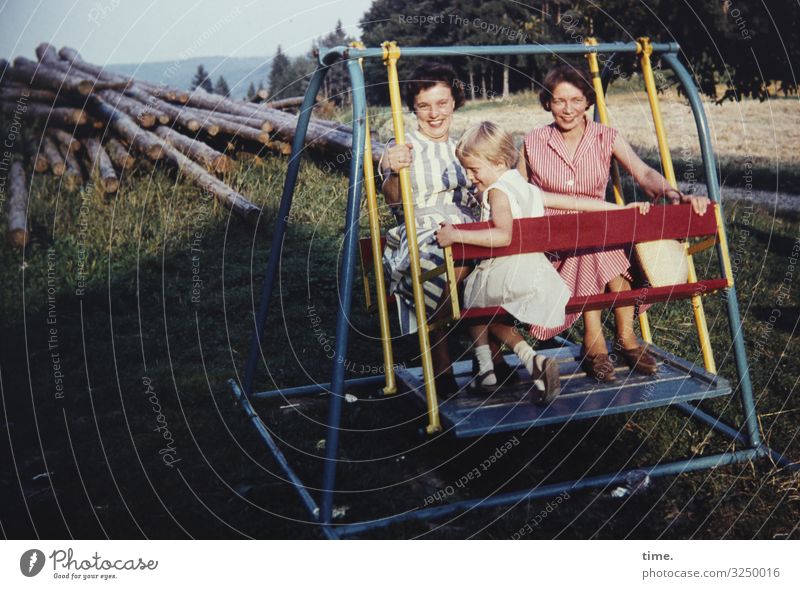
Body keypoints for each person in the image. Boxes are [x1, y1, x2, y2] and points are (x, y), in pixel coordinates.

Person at [436, 121, 652, 402]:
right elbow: (576, 203)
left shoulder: (498, 191)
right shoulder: (525, 188)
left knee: (473, 301)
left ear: (499, 161)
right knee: (484, 308)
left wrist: (456, 234)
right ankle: (511, 366)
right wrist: (619, 210)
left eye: (474, 169)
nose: (470, 176)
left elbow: (502, 235)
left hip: (506, 270)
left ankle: (499, 368)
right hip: (534, 271)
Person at [518, 65, 709, 382]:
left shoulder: (605, 137)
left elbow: (645, 174)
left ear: (588, 101)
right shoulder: (534, 141)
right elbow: (517, 190)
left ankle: (606, 342)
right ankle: (611, 340)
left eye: (576, 100)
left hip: (602, 227)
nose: (568, 109)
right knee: (593, 246)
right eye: (559, 101)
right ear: (547, 102)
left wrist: (674, 193)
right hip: (553, 238)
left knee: (606, 244)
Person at [379, 63, 516, 397]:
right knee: (455, 254)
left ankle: (489, 357)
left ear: (455, 102)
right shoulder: (402, 149)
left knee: (497, 257)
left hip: (467, 223)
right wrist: (392, 171)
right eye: (425, 106)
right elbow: (394, 204)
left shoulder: (464, 147)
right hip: (422, 230)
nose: (434, 113)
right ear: (413, 108)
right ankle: (447, 358)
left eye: (442, 103)